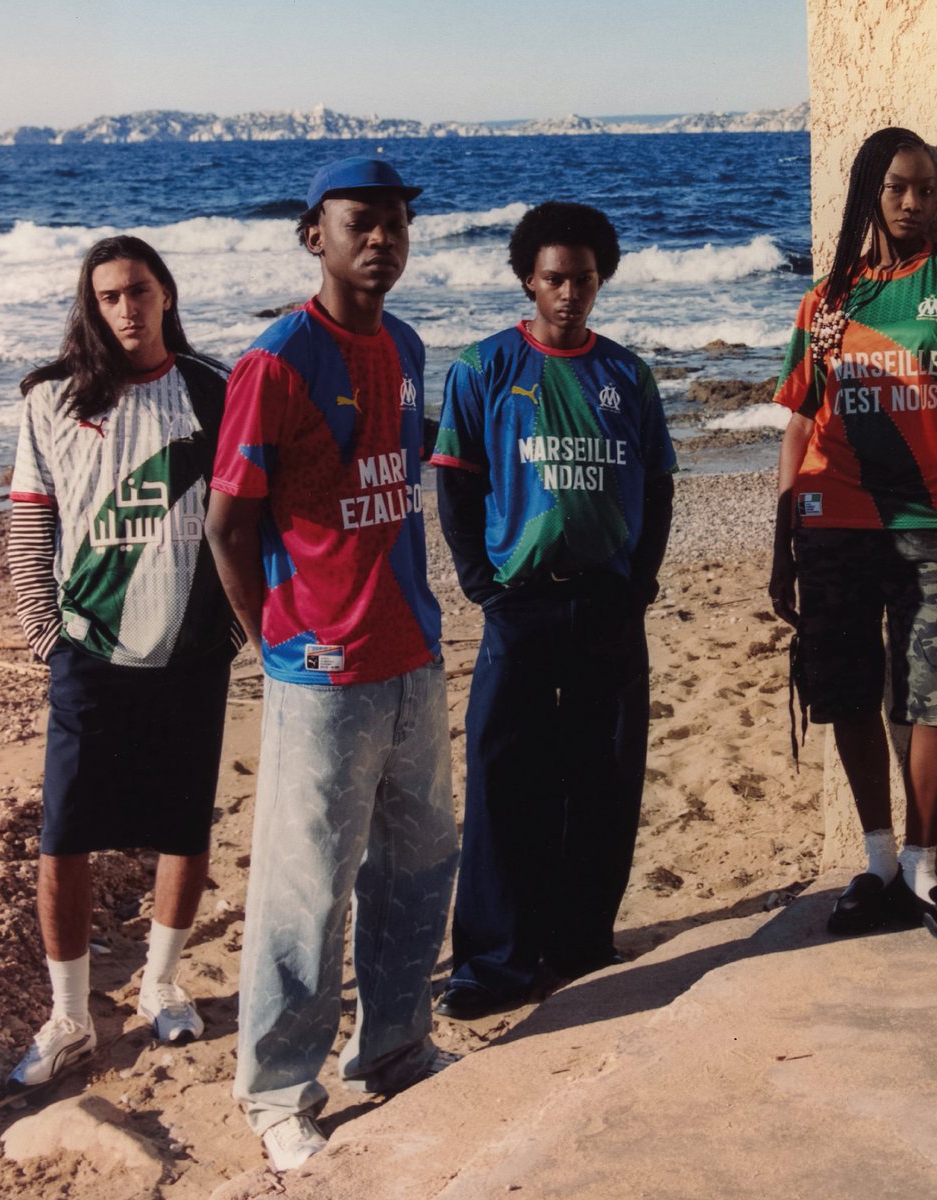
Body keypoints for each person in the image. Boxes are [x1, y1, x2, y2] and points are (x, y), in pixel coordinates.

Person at [206, 156, 458, 1172]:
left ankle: (393, 1044)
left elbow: (390, 486)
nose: (383, 238)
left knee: (418, 863)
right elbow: (228, 522)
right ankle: (276, 1090)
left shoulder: (404, 343)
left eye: (397, 222)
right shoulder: (276, 361)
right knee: (305, 889)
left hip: (412, 649)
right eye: (362, 221)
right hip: (322, 668)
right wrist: (274, 640)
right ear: (316, 234)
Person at [430, 201, 676, 1020]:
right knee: (505, 780)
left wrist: (637, 584)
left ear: (602, 279)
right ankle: (492, 963)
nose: (569, 293)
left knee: (600, 778)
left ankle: (578, 945)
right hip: (521, 606)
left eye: (583, 279)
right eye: (553, 279)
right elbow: (457, 482)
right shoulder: (483, 368)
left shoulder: (628, 376)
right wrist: (481, 583)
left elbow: (662, 484)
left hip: (608, 606)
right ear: (527, 280)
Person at [6, 236, 240, 1091]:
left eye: (138, 291)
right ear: (90, 306)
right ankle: (70, 1017)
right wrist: (43, 631)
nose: (126, 309)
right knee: (65, 836)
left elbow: (252, 515)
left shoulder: (214, 391)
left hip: (191, 648)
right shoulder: (52, 398)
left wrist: (238, 627)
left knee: (183, 825)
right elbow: (30, 523)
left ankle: (162, 982)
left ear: (166, 293)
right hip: (89, 650)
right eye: (108, 297)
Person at [769, 127, 937, 935]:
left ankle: (922, 862)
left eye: (927, 190)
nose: (913, 203)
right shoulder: (827, 299)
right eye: (898, 187)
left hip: (926, 527)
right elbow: (799, 423)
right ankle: (875, 859)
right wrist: (782, 540)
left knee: (928, 696)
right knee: (848, 691)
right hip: (832, 521)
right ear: (871, 191)